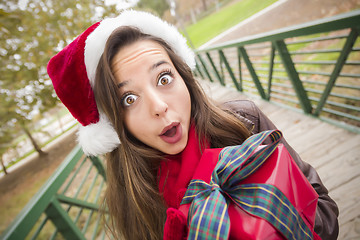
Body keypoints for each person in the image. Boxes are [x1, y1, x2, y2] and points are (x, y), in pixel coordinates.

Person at [47, 10, 339, 240]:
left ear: (183, 76)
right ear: (113, 123)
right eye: (129, 99)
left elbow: (324, 208)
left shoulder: (243, 122)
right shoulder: (133, 200)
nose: (159, 107)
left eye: (163, 78)